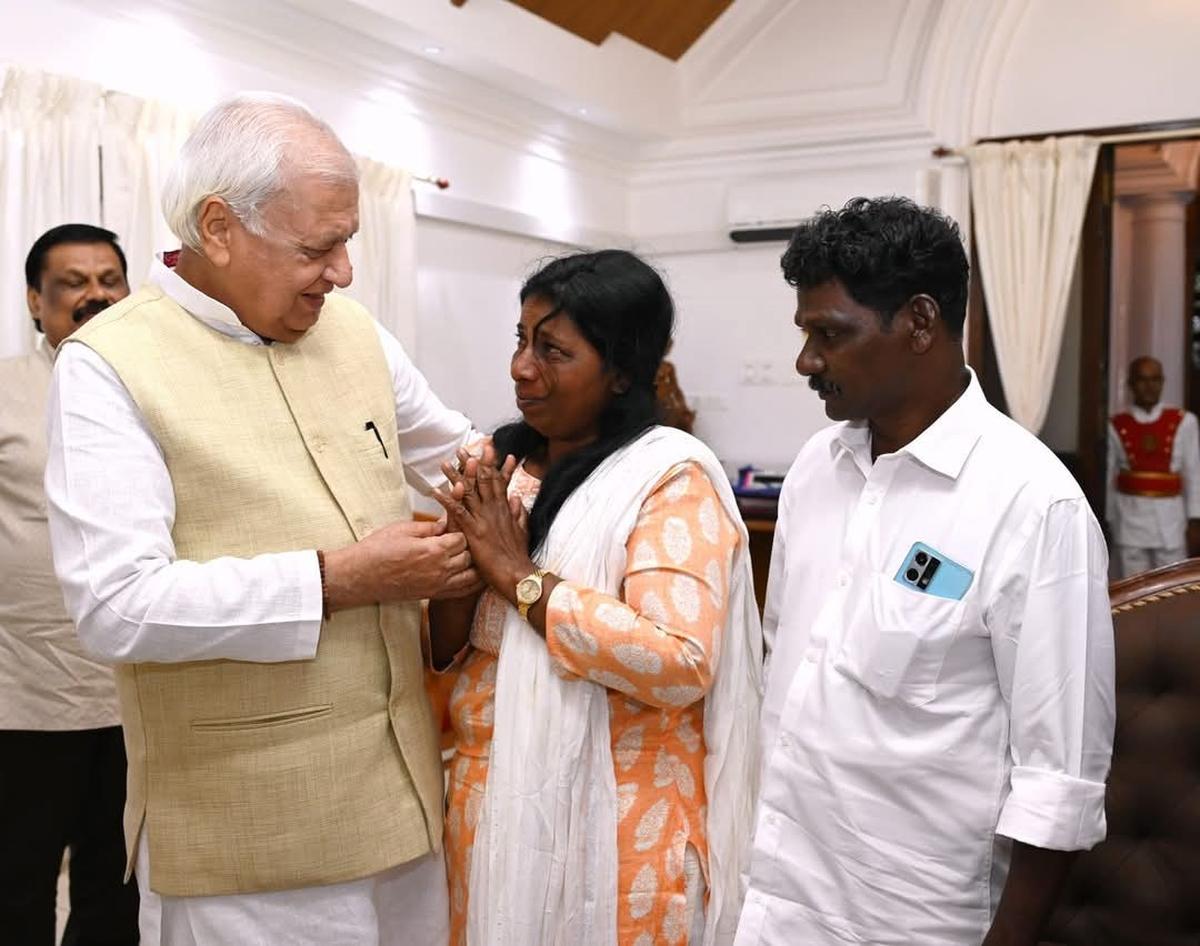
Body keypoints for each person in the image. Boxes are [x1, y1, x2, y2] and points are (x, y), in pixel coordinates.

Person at [44, 93, 480, 946]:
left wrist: (613, 486)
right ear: (219, 227)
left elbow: (462, 460)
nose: (345, 272)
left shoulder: (354, 332)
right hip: (249, 838)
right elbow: (117, 605)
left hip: (404, 807)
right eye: (320, 247)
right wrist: (340, 579)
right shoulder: (109, 366)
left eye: (349, 242)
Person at [734, 198, 1115, 946]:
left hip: (912, 920)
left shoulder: (1033, 506)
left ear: (918, 323)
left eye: (830, 334)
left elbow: (1057, 783)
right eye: (806, 334)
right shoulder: (818, 468)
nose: (806, 361)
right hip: (775, 900)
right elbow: (784, 666)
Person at [427, 250, 763, 946]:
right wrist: (460, 570)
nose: (522, 367)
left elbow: (680, 659)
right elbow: (448, 654)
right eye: (520, 342)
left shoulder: (669, 478)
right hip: (490, 815)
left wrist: (519, 576)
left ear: (618, 371)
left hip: (620, 830)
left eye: (553, 350)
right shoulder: (499, 464)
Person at [1, 224, 138, 945]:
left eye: (108, 280)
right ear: (35, 300)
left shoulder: (152, 390)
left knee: (117, 885)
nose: (95, 295)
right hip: (24, 693)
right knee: (17, 885)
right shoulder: (7, 390)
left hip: (138, 689)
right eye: (73, 282)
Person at [1106, 355, 1200, 577]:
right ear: (1130, 384)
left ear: (1163, 382)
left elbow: (1194, 472)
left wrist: (1195, 519)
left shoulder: (1184, 421)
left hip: (1170, 520)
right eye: (1142, 380)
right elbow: (1109, 476)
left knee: (1171, 585)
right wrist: (1109, 519)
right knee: (1133, 586)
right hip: (1130, 518)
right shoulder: (1116, 424)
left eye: (1155, 380)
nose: (1149, 387)